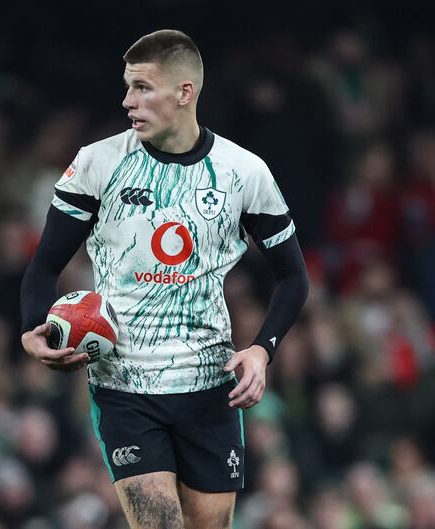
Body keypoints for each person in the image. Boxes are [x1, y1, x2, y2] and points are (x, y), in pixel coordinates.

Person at [19, 30, 309, 529]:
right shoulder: (98, 163)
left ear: (184, 92)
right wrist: (31, 329)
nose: (127, 100)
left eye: (142, 88)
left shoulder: (244, 172)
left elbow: (293, 276)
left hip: (210, 387)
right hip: (125, 385)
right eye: (127, 87)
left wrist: (263, 349)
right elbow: (44, 265)